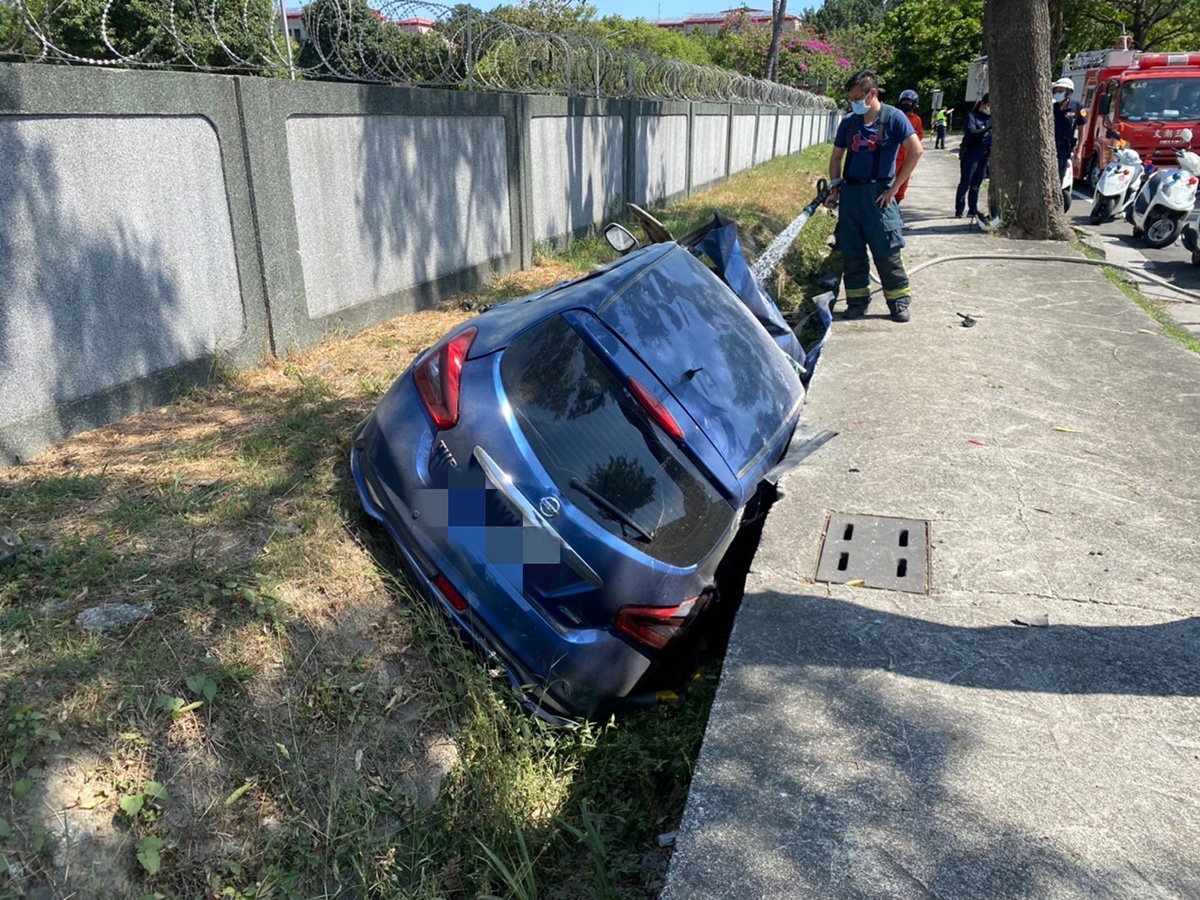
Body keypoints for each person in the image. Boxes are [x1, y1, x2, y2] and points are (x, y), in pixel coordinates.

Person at [824, 70, 924, 322]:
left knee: (887, 251)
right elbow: (836, 157)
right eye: (851, 99)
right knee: (852, 252)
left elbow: (916, 150)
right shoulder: (849, 122)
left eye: (858, 98)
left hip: (879, 195)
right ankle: (857, 301)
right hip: (851, 195)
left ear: (872, 94)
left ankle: (898, 302)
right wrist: (835, 190)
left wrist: (894, 188)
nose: (854, 103)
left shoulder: (894, 118)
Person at [955, 93, 991, 219]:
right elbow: (972, 132)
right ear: (983, 104)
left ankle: (973, 209)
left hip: (984, 153)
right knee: (966, 181)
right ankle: (959, 210)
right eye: (989, 105)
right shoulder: (972, 116)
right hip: (971, 152)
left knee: (977, 183)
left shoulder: (990, 118)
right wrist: (987, 128)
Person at [1052, 76, 1088, 181]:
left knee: (1059, 176)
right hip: (1049, 144)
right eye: (1056, 91)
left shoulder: (1077, 107)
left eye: (1060, 91)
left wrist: (1079, 151)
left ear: (1068, 92)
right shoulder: (1053, 107)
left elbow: (1082, 129)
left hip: (1063, 147)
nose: (1057, 93)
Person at [895, 89, 926, 204]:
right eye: (904, 102)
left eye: (909, 102)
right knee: (890, 181)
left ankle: (897, 203)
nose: (906, 105)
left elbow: (919, 137)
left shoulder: (916, 120)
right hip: (894, 156)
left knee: (903, 182)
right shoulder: (894, 116)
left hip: (907, 156)